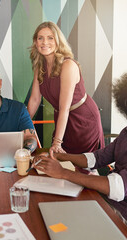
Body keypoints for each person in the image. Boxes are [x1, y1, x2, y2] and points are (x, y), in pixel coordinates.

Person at [33, 65, 127, 233]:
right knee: (48, 205)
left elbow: (117, 188)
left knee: (55, 221)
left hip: (125, 217)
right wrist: (60, 157)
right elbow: (96, 158)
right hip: (104, 200)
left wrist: (63, 173)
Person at [27, 21, 104, 157]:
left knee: (82, 168)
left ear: (58, 41)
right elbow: (34, 99)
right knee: (62, 167)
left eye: (50, 38)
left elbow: (65, 108)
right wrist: (23, 125)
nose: (45, 42)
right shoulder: (40, 66)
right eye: (40, 38)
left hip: (82, 120)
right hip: (62, 119)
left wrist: (57, 142)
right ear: (35, 42)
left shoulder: (68, 65)